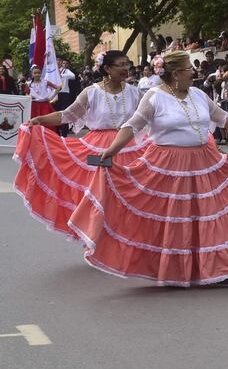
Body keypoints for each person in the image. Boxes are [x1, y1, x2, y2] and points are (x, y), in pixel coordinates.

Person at [67, 50, 228, 286]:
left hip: (204, 162)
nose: (193, 73)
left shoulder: (198, 94)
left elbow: (223, 118)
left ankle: (218, 269)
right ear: (176, 74)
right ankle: (175, 270)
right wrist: (111, 151)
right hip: (167, 165)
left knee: (209, 213)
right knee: (175, 218)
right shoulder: (155, 97)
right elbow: (132, 126)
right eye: (188, 70)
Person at [14, 51, 148, 240]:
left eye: (127, 64)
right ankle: (97, 237)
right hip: (97, 146)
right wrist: (39, 120)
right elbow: (68, 115)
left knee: (127, 195)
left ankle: (123, 238)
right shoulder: (92, 92)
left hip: (128, 145)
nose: (126, 68)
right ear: (107, 68)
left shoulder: (135, 92)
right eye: (120, 65)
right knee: (99, 194)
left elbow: (149, 118)